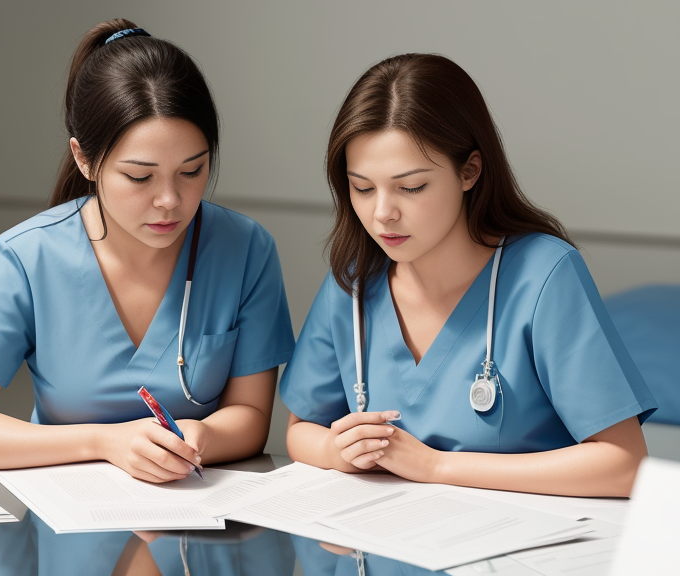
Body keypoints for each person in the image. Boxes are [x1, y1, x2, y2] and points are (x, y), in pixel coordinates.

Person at [0, 18, 294, 576]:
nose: (170, 200)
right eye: (140, 177)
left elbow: (252, 416)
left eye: (192, 171)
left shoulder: (245, 249)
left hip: (198, 536)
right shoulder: (28, 257)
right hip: (66, 534)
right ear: (85, 159)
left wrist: (200, 436)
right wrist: (105, 442)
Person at [280, 53, 656, 500]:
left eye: (411, 187)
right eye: (362, 187)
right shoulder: (353, 284)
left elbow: (625, 465)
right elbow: (301, 429)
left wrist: (436, 466)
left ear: (470, 171)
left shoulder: (544, 277)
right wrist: (336, 450)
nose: (382, 213)